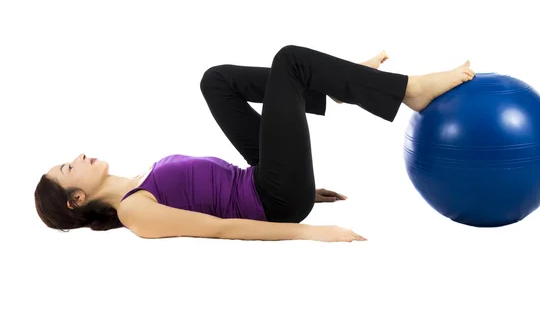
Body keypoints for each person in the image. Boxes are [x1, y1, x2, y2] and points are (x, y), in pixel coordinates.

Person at [34, 45, 475, 242]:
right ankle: (407, 90)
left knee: (216, 81)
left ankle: (332, 88)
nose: (78, 157)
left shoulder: (136, 180)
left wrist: (306, 191)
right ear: (76, 199)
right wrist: (307, 230)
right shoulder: (134, 211)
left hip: (266, 181)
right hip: (273, 198)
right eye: (69, 168)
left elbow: (212, 196)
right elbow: (222, 228)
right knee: (290, 60)